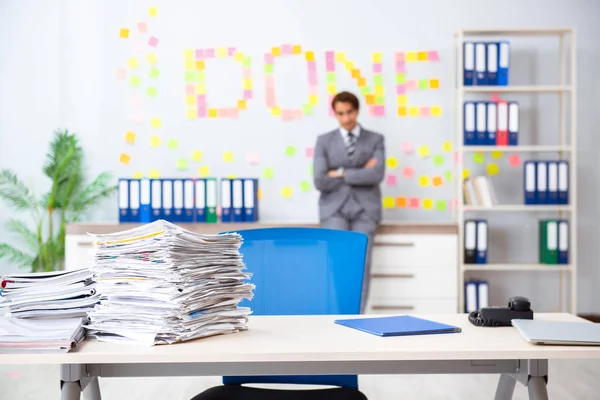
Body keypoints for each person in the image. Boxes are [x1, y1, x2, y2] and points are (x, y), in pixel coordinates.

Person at [313, 91, 386, 314]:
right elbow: (320, 179)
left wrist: (340, 173)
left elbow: (376, 174)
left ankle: (357, 314)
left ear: (357, 110)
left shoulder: (375, 139)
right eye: (340, 114)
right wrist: (358, 171)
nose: (346, 118)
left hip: (365, 210)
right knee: (338, 262)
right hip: (334, 210)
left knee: (361, 264)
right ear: (335, 114)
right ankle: (336, 313)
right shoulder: (324, 141)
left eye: (350, 112)